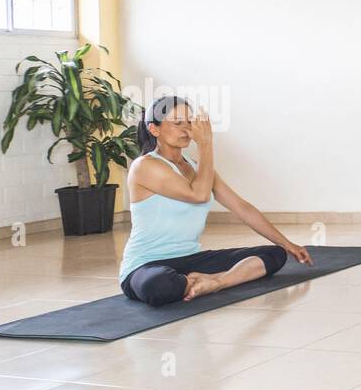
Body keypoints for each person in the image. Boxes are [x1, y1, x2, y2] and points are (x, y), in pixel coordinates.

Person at [117, 96, 312, 307]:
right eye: (177, 123)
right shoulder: (144, 166)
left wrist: (287, 243)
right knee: (159, 285)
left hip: (191, 260)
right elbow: (198, 194)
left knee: (274, 255)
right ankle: (195, 281)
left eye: (190, 122)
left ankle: (216, 282)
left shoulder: (198, 167)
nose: (186, 129)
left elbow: (241, 207)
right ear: (154, 129)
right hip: (146, 265)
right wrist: (206, 143)